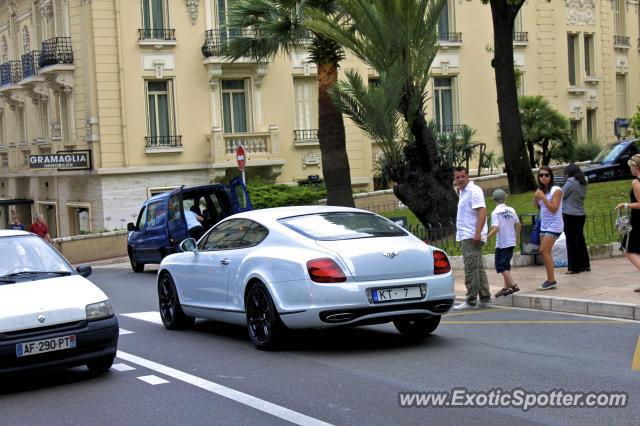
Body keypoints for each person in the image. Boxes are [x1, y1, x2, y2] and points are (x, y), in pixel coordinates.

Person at [453, 166, 491, 310]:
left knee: (470, 268)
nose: (460, 179)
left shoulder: (474, 191)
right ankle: (485, 298)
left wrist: (477, 232)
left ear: (467, 176)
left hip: (471, 235)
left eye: (463, 176)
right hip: (467, 235)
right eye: (457, 177)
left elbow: (482, 211)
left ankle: (470, 301)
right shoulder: (463, 192)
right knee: (478, 267)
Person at [486, 189, 521, 297]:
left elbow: (496, 228)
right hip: (511, 242)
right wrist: (516, 238)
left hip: (502, 243)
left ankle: (513, 285)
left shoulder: (495, 212)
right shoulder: (511, 210)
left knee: (500, 266)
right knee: (506, 265)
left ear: (493, 199)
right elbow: (518, 224)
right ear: (505, 198)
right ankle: (506, 288)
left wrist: (485, 237)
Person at [534, 166, 564, 290]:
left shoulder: (556, 190)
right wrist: (536, 198)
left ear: (551, 176)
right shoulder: (543, 191)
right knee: (546, 252)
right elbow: (538, 207)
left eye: (546, 175)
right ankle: (550, 279)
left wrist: (542, 197)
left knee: (543, 251)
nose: (544, 177)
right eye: (541, 175)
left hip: (555, 225)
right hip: (544, 225)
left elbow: (553, 209)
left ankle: (551, 280)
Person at [615, 153, 640, 293]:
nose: (630, 170)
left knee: (628, 249)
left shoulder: (636, 182)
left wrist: (625, 205)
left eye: (631, 167)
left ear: (635, 167)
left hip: (638, 220)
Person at [562, 163, 590, 274]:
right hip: (580, 213)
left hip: (570, 214)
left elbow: (561, 194)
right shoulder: (583, 182)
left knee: (571, 241)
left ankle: (573, 267)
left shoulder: (570, 182)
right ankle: (585, 265)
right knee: (580, 240)